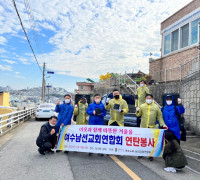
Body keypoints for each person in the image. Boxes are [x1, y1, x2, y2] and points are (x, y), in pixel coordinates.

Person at [136, 94, 168, 161]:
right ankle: (141, 153)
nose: (148, 99)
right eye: (147, 98)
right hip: (143, 127)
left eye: (150, 98)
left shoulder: (156, 107)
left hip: (152, 127)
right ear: (145, 99)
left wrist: (163, 124)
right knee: (143, 141)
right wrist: (137, 110)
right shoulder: (142, 106)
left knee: (151, 142)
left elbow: (160, 117)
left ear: (152, 99)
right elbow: (138, 115)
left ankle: (151, 155)